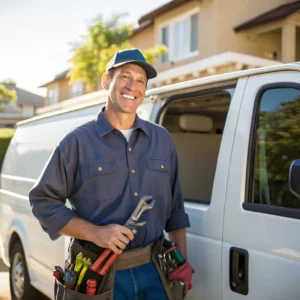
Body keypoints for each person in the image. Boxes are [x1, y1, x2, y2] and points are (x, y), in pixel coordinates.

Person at [29, 48, 191, 299]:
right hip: (99, 275)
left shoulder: (162, 139)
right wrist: (96, 233)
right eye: (125, 77)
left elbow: (176, 210)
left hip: (156, 272)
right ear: (107, 81)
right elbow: (43, 201)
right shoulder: (76, 142)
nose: (132, 86)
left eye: (140, 81)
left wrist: (181, 262)